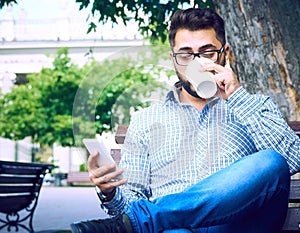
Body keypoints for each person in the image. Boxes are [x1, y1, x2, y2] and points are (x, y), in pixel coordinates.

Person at [71, 8, 300, 233]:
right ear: (173, 59)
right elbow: (130, 205)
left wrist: (236, 95)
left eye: (207, 52)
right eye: (186, 55)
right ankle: (153, 219)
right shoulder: (146, 120)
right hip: (174, 230)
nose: (196, 63)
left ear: (225, 54)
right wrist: (109, 192)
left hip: (238, 226)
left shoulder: (254, 106)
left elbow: (291, 160)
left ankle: (149, 219)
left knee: (271, 161)